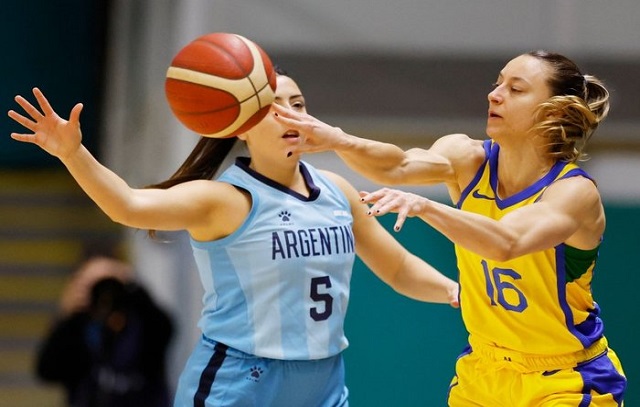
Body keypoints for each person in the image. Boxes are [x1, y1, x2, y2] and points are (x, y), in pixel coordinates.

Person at [8, 67, 459, 407]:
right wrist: (73, 153)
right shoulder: (224, 200)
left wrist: (455, 291)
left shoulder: (337, 191)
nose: (292, 115)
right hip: (242, 379)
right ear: (241, 125)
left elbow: (398, 267)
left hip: (323, 379)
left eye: (299, 104)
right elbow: (127, 204)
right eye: (273, 107)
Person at [272, 50, 627, 405]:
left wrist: (426, 207)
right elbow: (399, 166)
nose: (495, 94)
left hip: (566, 379)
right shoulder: (466, 157)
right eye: (497, 83)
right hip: (484, 372)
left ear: (555, 111)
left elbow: (507, 241)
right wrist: (338, 139)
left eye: (516, 89)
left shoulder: (573, 192)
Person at [35, 255, 174, 407]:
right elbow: (46, 371)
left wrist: (131, 284)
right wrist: (67, 315)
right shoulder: (77, 327)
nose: (105, 294)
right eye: (95, 286)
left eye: (110, 284)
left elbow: (166, 329)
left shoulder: (142, 321)